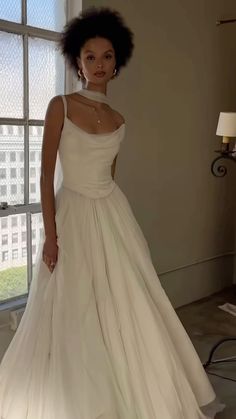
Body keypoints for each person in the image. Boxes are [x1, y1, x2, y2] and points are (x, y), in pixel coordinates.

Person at [0, 6, 225, 419]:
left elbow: (110, 177)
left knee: (128, 301)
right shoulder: (60, 106)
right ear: (76, 62)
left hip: (112, 215)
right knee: (73, 304)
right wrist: (50, 236)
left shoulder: (119, 119)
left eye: (106, 56)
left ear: (116, 63)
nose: (98, 64)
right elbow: (46, 175)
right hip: (72, 213)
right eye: (90, 56)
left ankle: (132, 385)